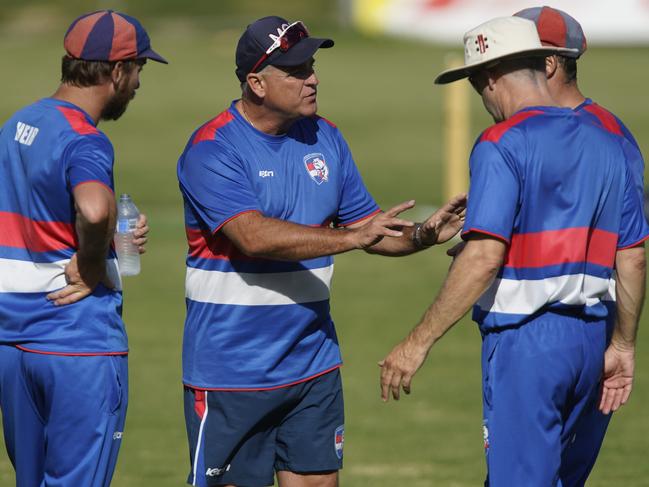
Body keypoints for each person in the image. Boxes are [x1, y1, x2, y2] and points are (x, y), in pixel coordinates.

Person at [176, 15, 465, 487]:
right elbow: (253, 236)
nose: (312, 77)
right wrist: (351, 238)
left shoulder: (325, 136)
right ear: (257, 82)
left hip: (313, 363)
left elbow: (370, 229)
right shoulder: (213, 148)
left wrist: (423, 236)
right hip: (232, 370)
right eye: (295, 70)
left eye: (311, 64)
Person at [379, 16, 648, 487]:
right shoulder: (609, 139)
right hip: (592, 342)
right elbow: (633, 256)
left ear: (489, 77)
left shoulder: (501, 142)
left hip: (527, 345)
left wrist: (415, 343)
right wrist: (623, 345)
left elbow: (484, 257)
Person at [0, 10, 166, 487]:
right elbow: (93, 209)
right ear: (117, 71)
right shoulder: (86, 139)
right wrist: (94, 263)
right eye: (138, 70)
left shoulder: (18, 123)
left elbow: (37, 217)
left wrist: (110, 240)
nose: (137, 84)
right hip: (77, 347)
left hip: (14, 343)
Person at [514, 7, 647, 483]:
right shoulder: (531, 132)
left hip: (580, 333)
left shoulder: (604, 136)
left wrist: (622, 345)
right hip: (550, 336)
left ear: (548, 64)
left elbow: (630, 251)